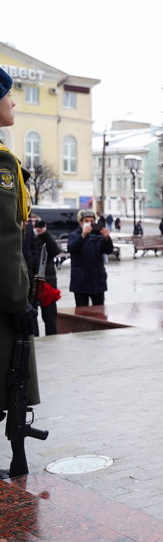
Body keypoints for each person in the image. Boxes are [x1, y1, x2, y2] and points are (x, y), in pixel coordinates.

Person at [0, 66, 42, 469]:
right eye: (7, 94)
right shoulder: (2, 166)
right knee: (7, 386)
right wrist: (19, 301)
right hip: (3, 303)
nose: (12, 101)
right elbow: (5, 240)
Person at [68, 209, 114, 307]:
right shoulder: (74, 235)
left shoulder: (98, 235)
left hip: (97, 281)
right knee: (82, 312)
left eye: (92, 221)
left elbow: (108, 250)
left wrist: (107, 238)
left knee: (99, 312)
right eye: (86, 221)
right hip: (81, 282)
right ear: (81, 223)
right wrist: (83, 235)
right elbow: (71, 248)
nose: (89, 223)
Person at [28, 220, 61, 335]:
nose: (35, 228)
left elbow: (55, 251)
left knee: (50, 316)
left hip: (48, 282)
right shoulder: (25, 239)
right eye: (32, 226)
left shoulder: (46, 238)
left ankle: (52, 338)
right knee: (32, 315)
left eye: (37, 225)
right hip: (31, 282)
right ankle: (35, 339)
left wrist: (44, 233)